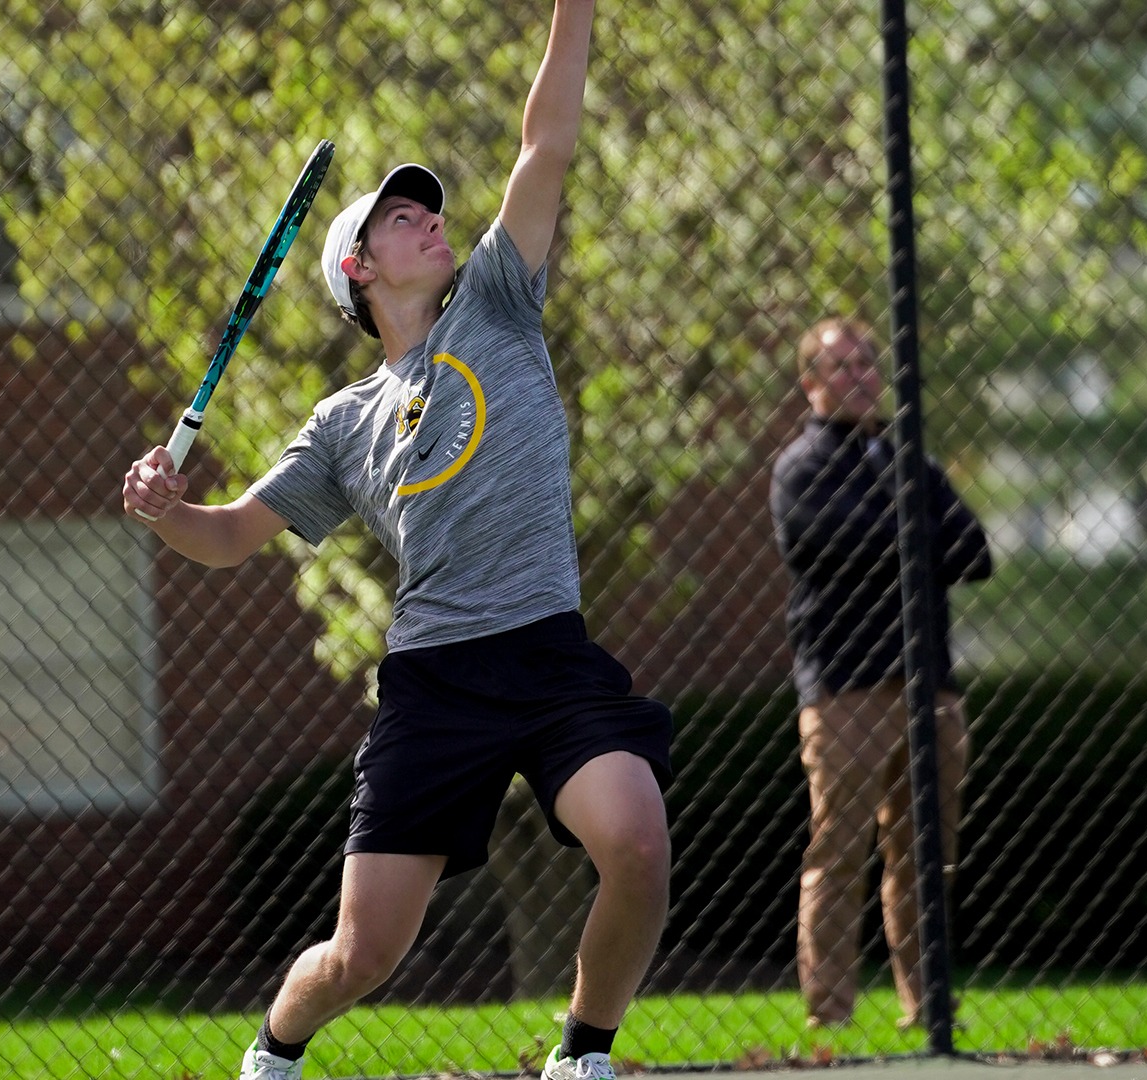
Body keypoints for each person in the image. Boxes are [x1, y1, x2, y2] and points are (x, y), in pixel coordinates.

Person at [120, 3, 672, 1078]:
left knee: (638, 844)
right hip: (435, 684)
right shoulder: (341, 421)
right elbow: (232, 537)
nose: (429, 219)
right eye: (399, 218)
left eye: (428, 208)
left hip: (549, 651)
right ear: (359, 273)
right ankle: (274, 1052)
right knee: (365, 953)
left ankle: (583, 1056)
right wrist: (165, 512)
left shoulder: (500, 303)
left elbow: (545, 140)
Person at [767, 317, 991, 1030]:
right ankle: (828, 1012)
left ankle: (927, 1005)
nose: (860, 376)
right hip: (846, 688)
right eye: (841, 366)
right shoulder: (800, 467)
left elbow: (975, 553)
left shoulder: (908, 459)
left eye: (868, 363)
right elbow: (842, 545)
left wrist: (903, 534)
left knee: (927, 852)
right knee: (840, 848)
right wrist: (915, 535)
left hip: (932, 686)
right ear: (811, 384)